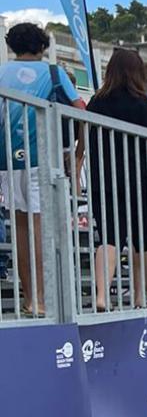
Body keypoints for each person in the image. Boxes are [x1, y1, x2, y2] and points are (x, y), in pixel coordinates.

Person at [0, 22, 87, 317]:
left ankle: (29, 298)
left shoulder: (1, 72)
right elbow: (80, 110)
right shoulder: (54, 72)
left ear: (11, 46)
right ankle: (44, 299)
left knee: (21, 229)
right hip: (43, 157)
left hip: (8, 161)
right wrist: (76, 154)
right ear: (43, 46)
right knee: (41, 228)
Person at [86, 48, 147, 310]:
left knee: (108, 237)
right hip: (140, 179)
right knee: (146, 239)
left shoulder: (97, 101)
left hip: (104, 177)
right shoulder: (142, 102)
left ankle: (101, 295)